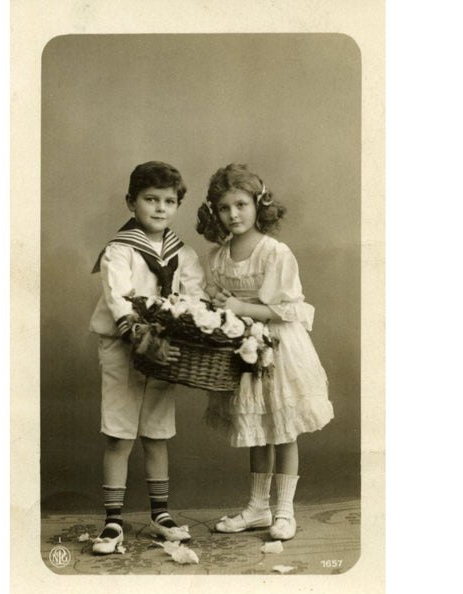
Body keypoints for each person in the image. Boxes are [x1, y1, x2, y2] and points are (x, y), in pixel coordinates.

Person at [196, 163, 334, 541]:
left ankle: (284, 511)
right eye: (224, 208)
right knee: (257, 430)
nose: (233, 214)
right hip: (244, 350)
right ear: (215, 212)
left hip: (279, 347)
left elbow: (289, 309)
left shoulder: (274, 252)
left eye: (241, 204)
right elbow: (219, 302)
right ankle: (258, 508)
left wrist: (242, 309)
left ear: (258, 205)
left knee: (283, 430)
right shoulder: (219, 256)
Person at [89, 161, 206, 554]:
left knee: (157, 433)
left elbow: (193, 298)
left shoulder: (184, 254)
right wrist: (137, 334)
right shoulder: (119, 250)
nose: (159, 208)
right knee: (120, 433)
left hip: (164, 351)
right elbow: (117, 296)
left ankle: (160, 514)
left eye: (169, 201)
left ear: (177, 205)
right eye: (150, 199)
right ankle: (113, 521)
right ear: (131, 202)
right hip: (124, 347)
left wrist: (185, 330)